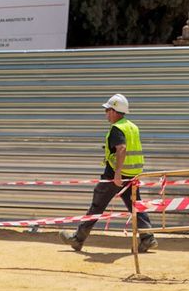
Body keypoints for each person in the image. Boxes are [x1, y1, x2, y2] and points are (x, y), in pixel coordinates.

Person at [63, 94, 152, 253]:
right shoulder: (132, 126)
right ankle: (148, 238)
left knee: (97, 205)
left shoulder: (117, 128)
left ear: (114, 111)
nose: (106, 114)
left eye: (107, 110)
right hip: (133, 174)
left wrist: (117, 173)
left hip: (115, 175)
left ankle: (77, 239)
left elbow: (122, 149)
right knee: (135, 205)